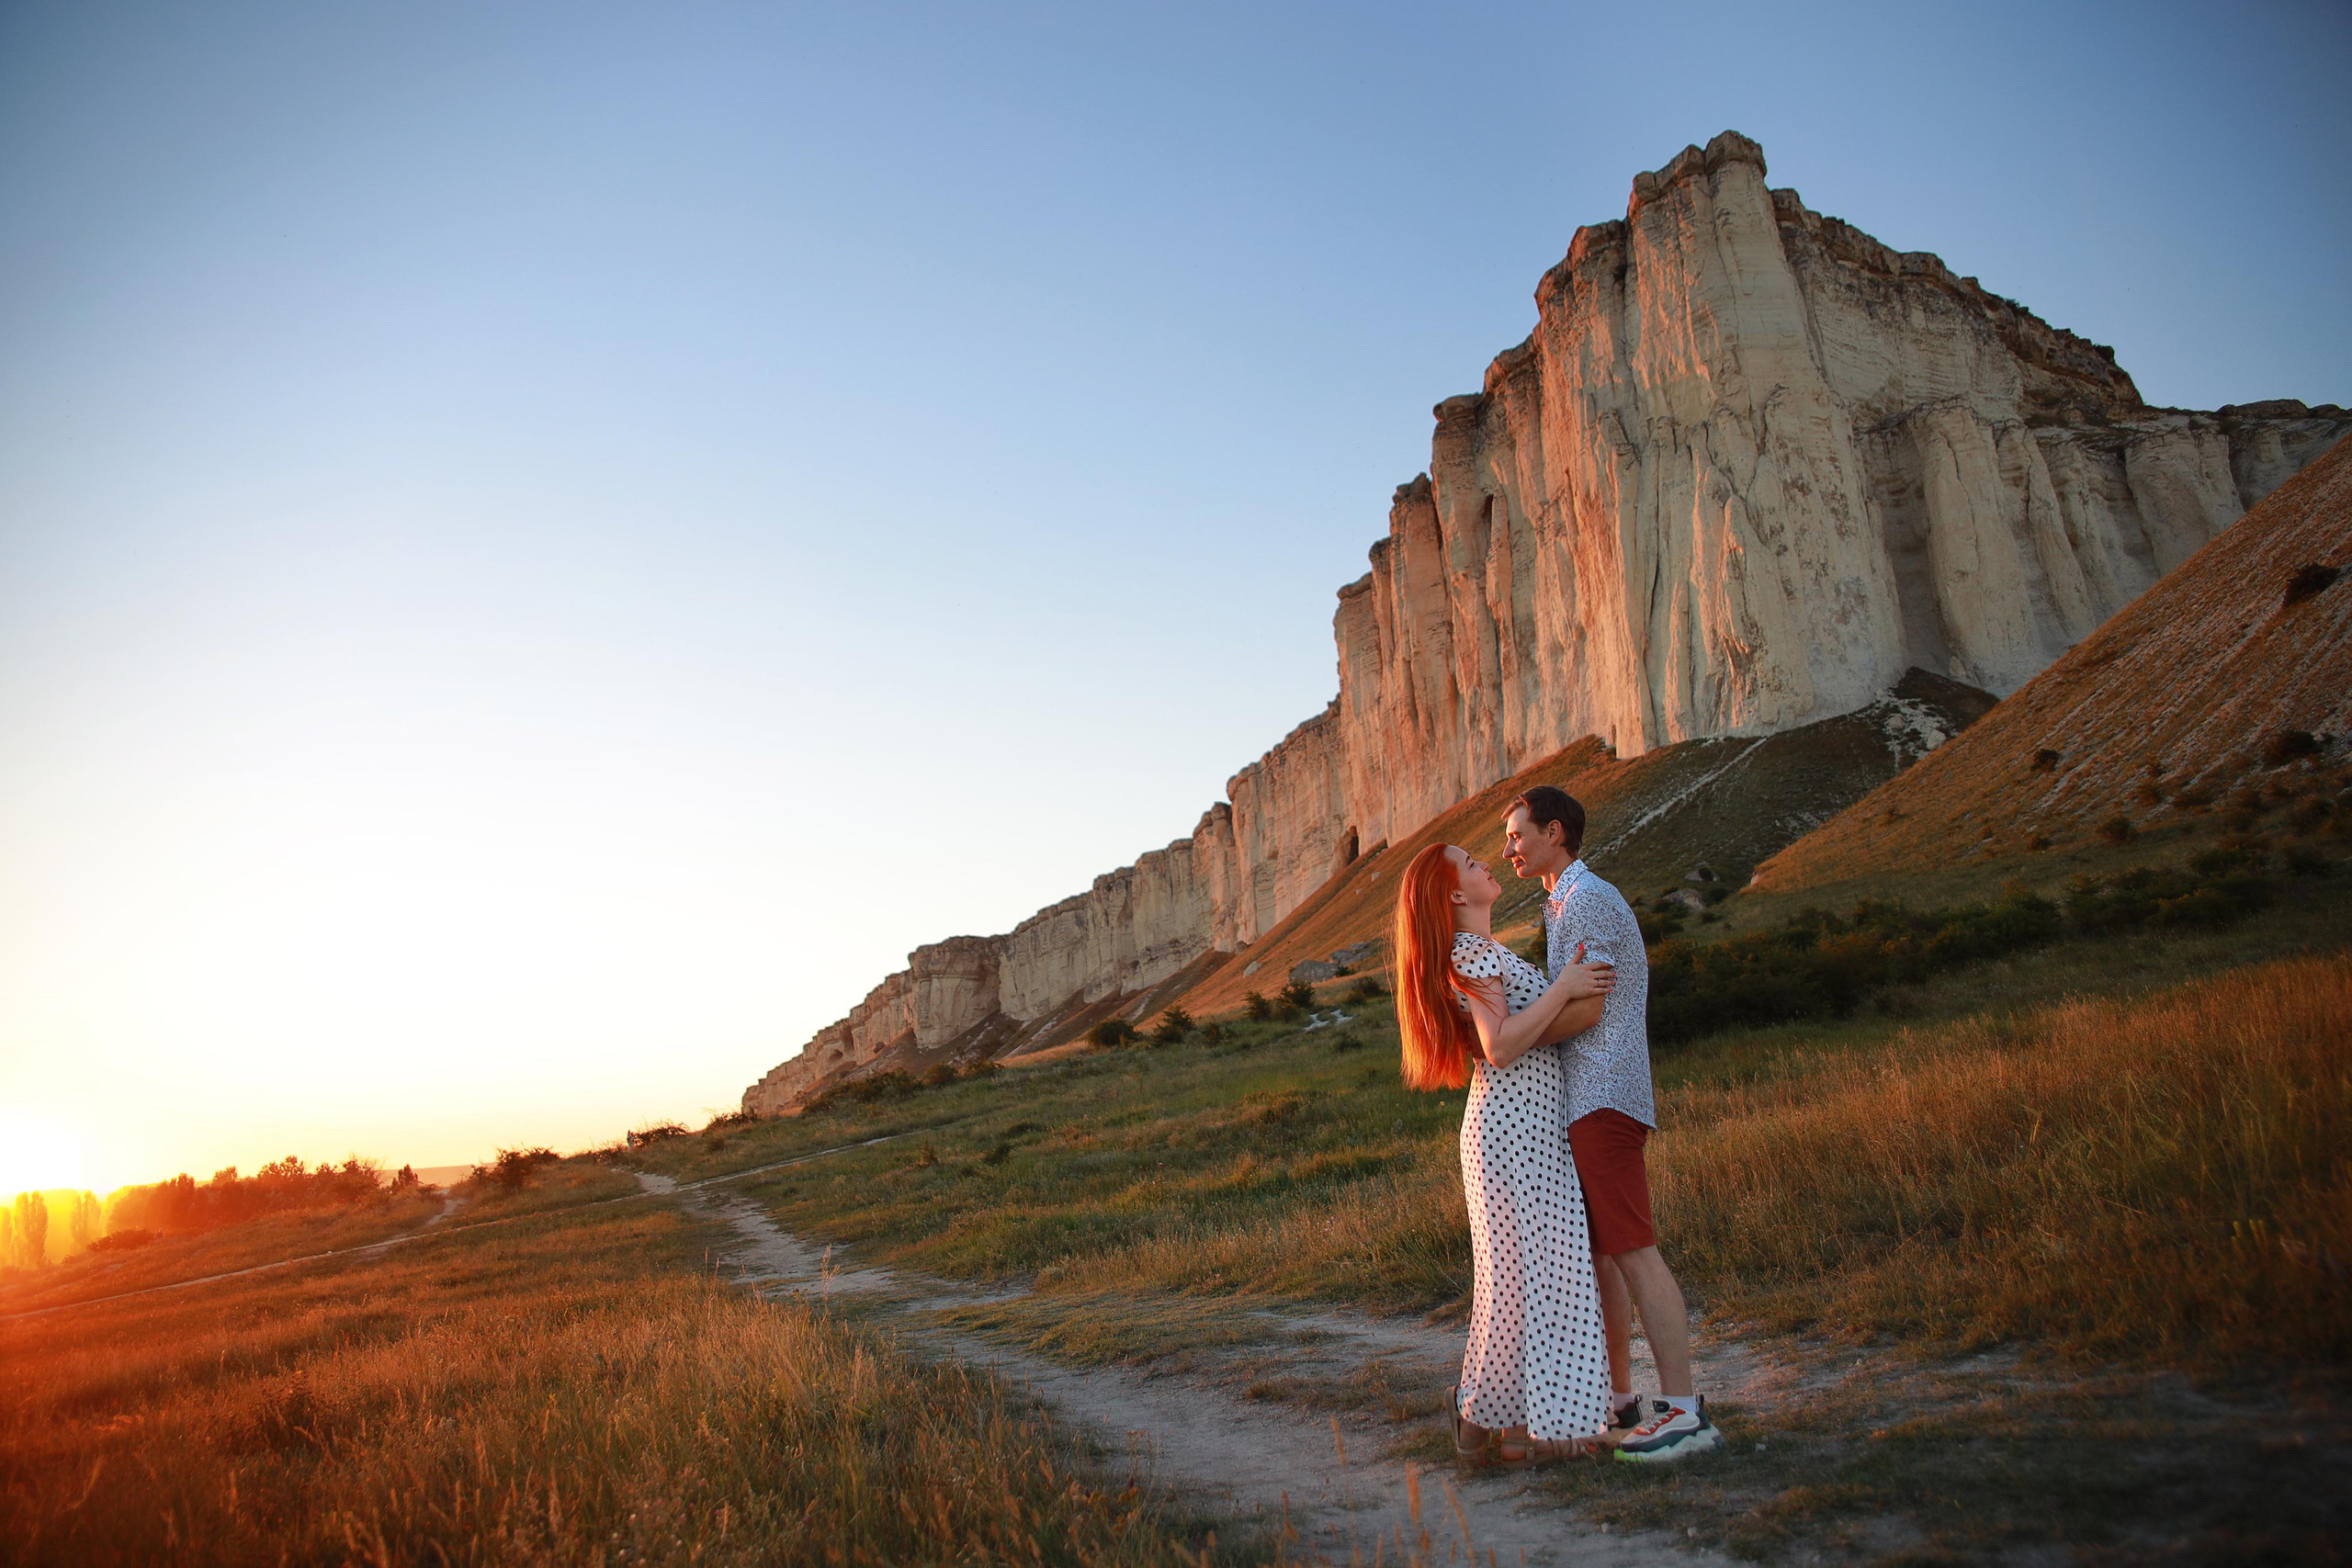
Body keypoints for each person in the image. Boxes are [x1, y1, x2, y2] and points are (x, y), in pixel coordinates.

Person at [1503, 784, 1724, 1462]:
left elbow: (1591, 1007)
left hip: (1604, 1095)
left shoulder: (1589, 897)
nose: (1510, 846)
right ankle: (1620, 1398)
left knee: (1633, 1248)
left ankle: (1684, 1411)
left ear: (1557, 831)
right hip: (1589, 1099)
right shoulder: (1563, 900)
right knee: (1604, 1255)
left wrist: (1507, 1040)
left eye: (1519, 833)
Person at [1392, 840, 1618, 1466]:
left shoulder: (1484, 951)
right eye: (1469, 864)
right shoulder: (1469, 952)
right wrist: (1567, 984)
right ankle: (1558, 1427)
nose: (1485, 862)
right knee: (1550, 1274)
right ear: (1457, 896)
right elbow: (1501, 1045)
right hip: (1513, 1131)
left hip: (1523, 1129)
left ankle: (1482, 1422)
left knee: (1518, 1284)